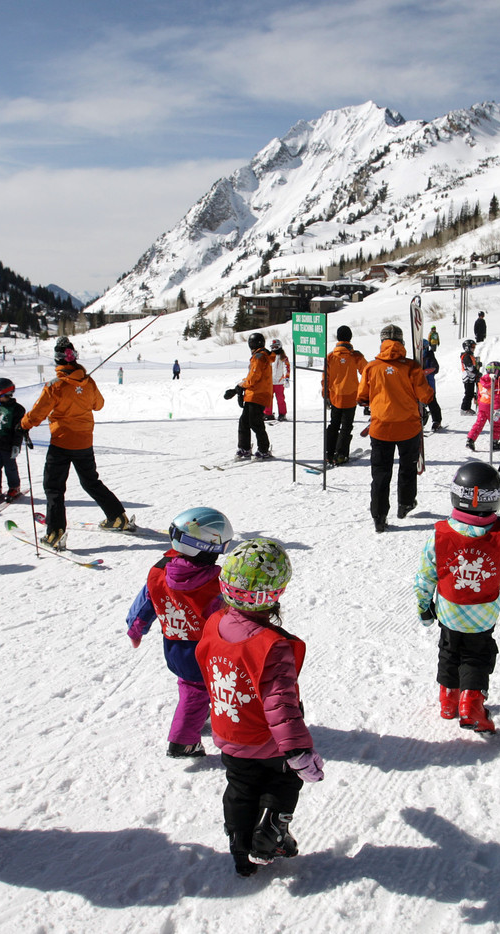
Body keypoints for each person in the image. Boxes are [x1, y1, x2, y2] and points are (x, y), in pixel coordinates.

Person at [195, 538, 323, 877]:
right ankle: (270, 832)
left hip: (229, 732)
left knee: (240, 788)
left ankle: (240, 848)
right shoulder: (272, 646)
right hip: (266, 742)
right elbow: (281, 706)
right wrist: (299, 752)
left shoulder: (215, 624)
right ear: (275, 592)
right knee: (283, 783)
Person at [414, 462, 500, 734]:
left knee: (449, 650)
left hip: (449, 610)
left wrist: (424, 606)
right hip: (483, 611)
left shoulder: (439, 536)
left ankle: (448, 700)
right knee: (476, 655)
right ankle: (471, 704)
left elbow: (425, 576)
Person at [125, 507, 233, 758]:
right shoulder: (216, 583)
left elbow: (145, 603)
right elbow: (229, 617)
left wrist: (135, 629)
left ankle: (201, 714)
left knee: (194, 688)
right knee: (196, 691)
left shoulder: (159, 571)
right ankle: (182, 742)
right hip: (204, 651)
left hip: (175, 647)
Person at [21, 337, 132, 549]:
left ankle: (55, 533)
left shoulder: (56, 385)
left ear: (57, 361)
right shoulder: (88, 381)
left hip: (62, 442)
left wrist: (23, 425)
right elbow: (98, 405)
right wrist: (84, 389)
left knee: (54, 488)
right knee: (91, 482)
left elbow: (38, 412)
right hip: (84, 442)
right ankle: (117, 517)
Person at [357, 324, 435, 532]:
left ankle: (379, 517)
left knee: (381, 473)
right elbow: (425, 395)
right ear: (401, 342)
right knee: (408, 467)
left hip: (381, 428)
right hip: (408, 427)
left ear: (382, 342)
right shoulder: (411, 366)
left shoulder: (372, 367)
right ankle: (405, 503)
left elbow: (362, 396)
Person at [322, 325, 367, 466]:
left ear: (338, 338)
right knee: (346, 426)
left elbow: (325, 378)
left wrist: (326, 395)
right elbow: (367, 373)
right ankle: (341, 454)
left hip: (335, 396)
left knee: (334, 424)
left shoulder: (330, 356)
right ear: (350, 338)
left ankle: (329, 453)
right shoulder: (356, 355)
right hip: (351, 396)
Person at [0, 377, 27, 506]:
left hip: (8, 444)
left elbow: (18, 429)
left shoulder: (17, 409)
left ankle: (14, 487)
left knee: (10, 468)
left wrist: (16, 445)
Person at [229, 333, 273, 460]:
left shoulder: (259, 357)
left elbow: (254, 378)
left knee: (255, 423)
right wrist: (239, 386)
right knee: (244, 422)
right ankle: (244, 447)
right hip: (253, 394)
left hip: (258, 394)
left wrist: (241, 386)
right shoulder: (259, 356)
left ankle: (264, 449)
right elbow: (251, 377)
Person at [464, 361, 500, 452]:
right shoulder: (496, 382)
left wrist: (479, 404)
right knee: (496, 425)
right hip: (491, 407)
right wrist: (497, 410)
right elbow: (496, 396)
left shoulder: (482, 380)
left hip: (482, 405)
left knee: (479, 423)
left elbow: (479, 394)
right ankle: (494, 442)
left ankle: (470, 440)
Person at [420, 338, 444, 433]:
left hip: (429, 385)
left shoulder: (430, 356)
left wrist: (424, 372)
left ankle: (437, 421)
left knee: (432, 403)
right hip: (419, 386)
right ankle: (419, 421)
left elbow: (435, 368)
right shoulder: (417, 357)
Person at [263, 339, 290, 422]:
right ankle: (268, 413)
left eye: (276, 347)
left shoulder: (283, 357)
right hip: (270, 382)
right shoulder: (269, 357)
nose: (274, 349)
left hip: (279, 382)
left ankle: (282, 414)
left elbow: (286, 368)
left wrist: (286, 378)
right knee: (268, 398)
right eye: (273, 347)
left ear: (280, 347)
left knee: (280, 399)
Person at [459, 339, 479, 415]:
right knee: (468, 394)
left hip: (471, 377)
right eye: (472, 346)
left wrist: (477, 365)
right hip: (468, 377)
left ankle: (467, 408)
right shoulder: (466, 356)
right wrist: (476, 371)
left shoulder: (470, 356)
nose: (474, 348)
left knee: (470, 393)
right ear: (467, 347)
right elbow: (469, 366)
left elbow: (473, 364)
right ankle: (464, 409)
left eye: (474, 346)